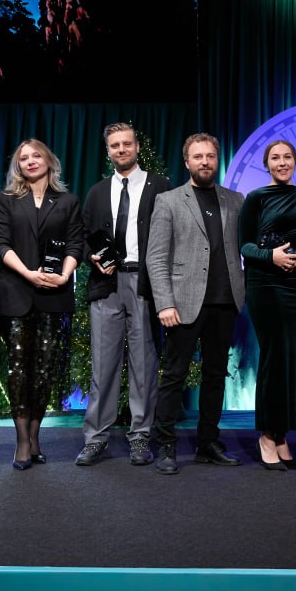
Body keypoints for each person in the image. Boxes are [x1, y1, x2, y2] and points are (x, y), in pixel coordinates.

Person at [146, 133, 246, 474]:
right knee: (173, 376)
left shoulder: (235, 200)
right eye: (198, 156)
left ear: (217, 160)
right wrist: (164, 303)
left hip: (225, 301)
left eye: (210, 156)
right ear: (187, 162)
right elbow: (156, 257)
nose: (205, 161)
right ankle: (166, 445)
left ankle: (208, 443)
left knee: (216, 376)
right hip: (183, 303)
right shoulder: (169, 201)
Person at [76, 123, 171, 468]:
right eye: (114, 145)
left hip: (144, 283)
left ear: (137, 146)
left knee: (144, 364)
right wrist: (91, 256)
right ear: (108, 151)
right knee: (103, 365)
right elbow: (83, 235)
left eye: (126, 144)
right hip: (106, 284)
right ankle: (95, 438)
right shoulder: (98, 191)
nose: (121, 150)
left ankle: (140, 435)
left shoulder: (161, 186)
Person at [0, 139, 85, 470]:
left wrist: (65, 275)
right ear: (17, 165)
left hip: (54, 294)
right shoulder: (6, 199)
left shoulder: (68, 201)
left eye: (36, 155)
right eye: (23, 158)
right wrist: (29, 273)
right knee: (18, 368)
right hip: (14, 292)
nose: (30, 161)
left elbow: (76, 244)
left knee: (44, 370)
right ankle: (22, 442)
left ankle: (35, 435)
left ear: (49, 160)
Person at [237, 139, 296, 470]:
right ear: (266, 164)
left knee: (293, 359)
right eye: (275, 158)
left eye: (287, 157)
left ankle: (282, 434)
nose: (281, 162)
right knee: (274, 358)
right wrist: (271, 256)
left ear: (295, 161)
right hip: (265, 285)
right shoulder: (256, 198)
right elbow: (244, 246)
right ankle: (267, 437)